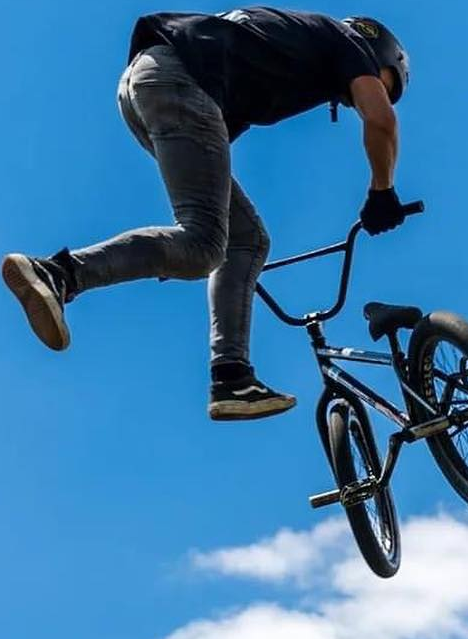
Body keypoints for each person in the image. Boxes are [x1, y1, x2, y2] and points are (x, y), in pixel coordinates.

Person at [2, 7, 410, 421]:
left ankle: (232, 376)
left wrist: (171, 250)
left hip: (149, 83)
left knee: (244, 239)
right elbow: (381, 121)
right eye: (385, 83)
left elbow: (209, 147)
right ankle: (60, 273)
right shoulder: (349, 42)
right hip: (177, 81)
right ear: (378, 52)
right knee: (204, 245)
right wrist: (383, 192)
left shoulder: (286, 49)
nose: (369, 95)